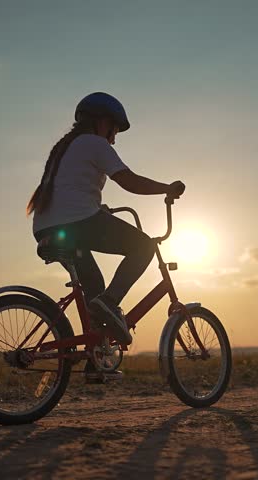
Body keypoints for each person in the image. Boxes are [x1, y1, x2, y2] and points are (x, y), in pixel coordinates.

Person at [27, 92, 184, 346]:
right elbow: (128, 180)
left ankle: (95, 357)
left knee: (94, 288)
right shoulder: (93, 142)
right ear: (102, 121)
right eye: (114, 131)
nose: (113, 139)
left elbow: (70, 191)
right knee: (144, 246)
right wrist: (167, 188)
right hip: (76, 223)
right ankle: (110, 303)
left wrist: (99, 210)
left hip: (47, 228)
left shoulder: (65, 148)